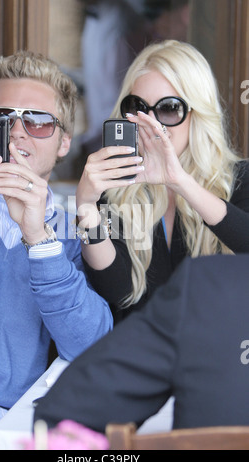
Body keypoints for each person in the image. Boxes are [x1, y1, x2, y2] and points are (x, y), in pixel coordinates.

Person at [0, 50, 113, 450]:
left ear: (63, 143)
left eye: (38, 122)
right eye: (1, 118)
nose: (17, 132)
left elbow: (91, 344)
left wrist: (39, 238)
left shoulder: (73, 230)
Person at [75, 39, 249, 323]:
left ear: (197, 115)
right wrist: (85, 208)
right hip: (142, 356)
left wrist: (180, 182)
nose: (152, 123)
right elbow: (116, 290)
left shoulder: (240, 178)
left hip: (219, 356)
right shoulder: (117, 187)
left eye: (169, 108)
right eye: (138, 108)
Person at [34, 252, 249, 432]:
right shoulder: (114, 209)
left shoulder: (209, 282)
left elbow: (62, 419)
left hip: (179, 320)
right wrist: (89, 218)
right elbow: (114, 286)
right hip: (149, 327)